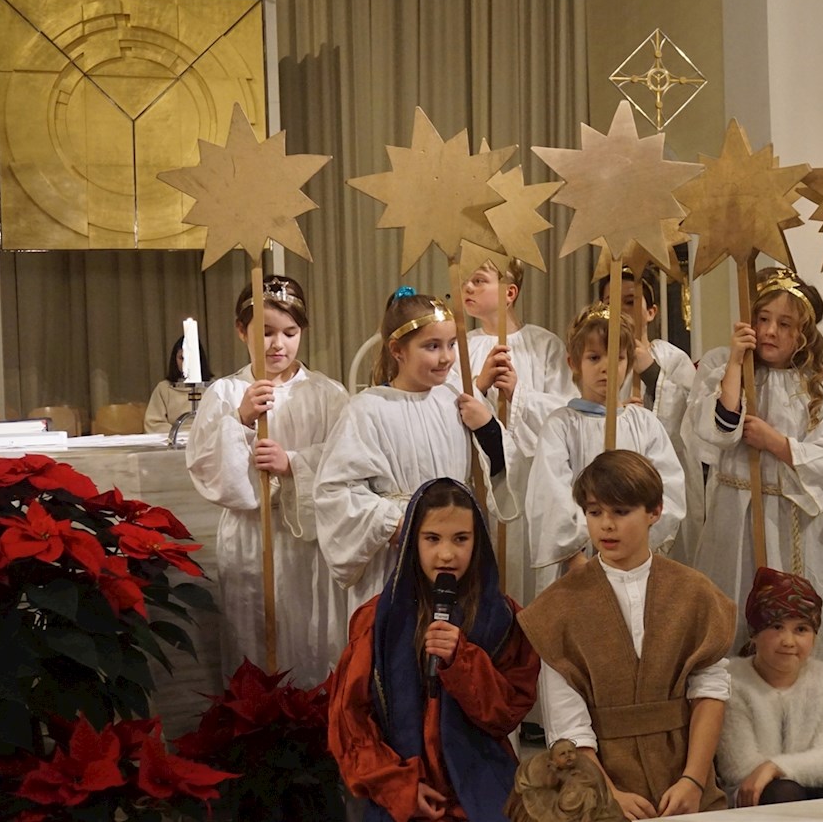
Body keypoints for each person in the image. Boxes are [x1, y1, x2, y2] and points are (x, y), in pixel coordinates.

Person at [519, 451, 735, 819]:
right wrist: (608, 794)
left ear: (654, 511)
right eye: (594, 512)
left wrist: (694, 781)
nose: (606, 525)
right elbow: (568, 723)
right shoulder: (559, 607)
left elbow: (710, 691)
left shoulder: (694, 593)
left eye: (620, 512)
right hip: (595, 788)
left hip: (684, 781)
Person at [329, 477, 539, 822]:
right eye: (432, 538)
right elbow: (350, 719)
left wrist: (463, 661)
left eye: (461, 539)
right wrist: (398, 786)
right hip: (401, 781)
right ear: (412, 542)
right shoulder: (377, 619)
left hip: (479, 781)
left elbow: (507, 712)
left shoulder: (501, 618)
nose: (446, 554)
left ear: (478, 542)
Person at [186, 276, 348, 686]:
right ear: (241, 331)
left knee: (311, 636)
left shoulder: (328, 394)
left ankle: (312, 715)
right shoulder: (224, 393)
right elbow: (204, 465)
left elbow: (348, 460)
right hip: (249, 536)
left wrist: (292, 463)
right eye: (266, 333)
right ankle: (257, 717)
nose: (278, 345)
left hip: (306, 537)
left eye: (290, 333)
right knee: (253, 635)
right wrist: (239, 420)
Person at [683, 267, 823, 657]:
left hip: (792, 519)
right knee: (732, 607)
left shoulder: (815, 389)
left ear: (802, 334)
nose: (770, 331)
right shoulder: (725, 371)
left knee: (788, 623)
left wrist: (777, 444)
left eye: (784, 324)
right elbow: (715, 433)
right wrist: (735, 363)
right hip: (734, 515)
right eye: (762, 319)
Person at [315, 288, 513, 616]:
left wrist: (487, 426)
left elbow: (503, 468)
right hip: (397, 551)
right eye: (432, 346)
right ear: (397, 350)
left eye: (451, 344)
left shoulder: (458, 396)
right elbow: (335, 491)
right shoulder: (367, 410)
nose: (446, 357)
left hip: (455, 547)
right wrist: (392, 523)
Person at [525, 303, 685, 594]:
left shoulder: (645, 424)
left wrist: (635, 545)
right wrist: (576, 557)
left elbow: (668, 489)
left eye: (618, 357)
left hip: (635, 563)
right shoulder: (561, 426)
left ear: (629, 361)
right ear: (574, 362)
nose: (606, 367)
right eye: (594, 357)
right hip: (579, 567)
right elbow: (550, 494)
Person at [459, 258, 577, 603]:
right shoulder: (460, 347)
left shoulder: (545, 346)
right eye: (466, 281)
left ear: (509, 293)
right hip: (478, 483)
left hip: (529, 485)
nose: (467, 287)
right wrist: (479, 385)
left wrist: (518, 394)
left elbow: (566, 414)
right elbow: (448, 412)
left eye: (479, 280)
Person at [716, 567, 823, 807]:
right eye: (776, 627)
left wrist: (776, 767)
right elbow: (738, 766)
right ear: (754, 634)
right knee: (784, 792)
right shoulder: (733, 680)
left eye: (801, 629)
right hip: (753, 791)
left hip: (809, 784)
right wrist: (781, 771)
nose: (788, 641)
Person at [598, 267, 701, 565]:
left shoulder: (672, 358)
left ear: (651, 311)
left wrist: (652, 374)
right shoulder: (598, 361)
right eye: (610, 303)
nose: (620, 310)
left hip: (661, 481)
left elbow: (693, 418)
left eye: (630, 301)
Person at [505, 738, 625, 822]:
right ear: (553, 760)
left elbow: (591, 782)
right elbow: (551, 784)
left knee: (589, 795)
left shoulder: (585, 768)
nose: (568, 756)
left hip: (581, 800)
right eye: (562, 754)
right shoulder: (550, 773)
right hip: (565, 803)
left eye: (570, 752)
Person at [145, 335, 214, 433]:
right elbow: (153, 423)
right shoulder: (164, 388)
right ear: (175, 359)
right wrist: (179, 433)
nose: (186, 363)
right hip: (175, 437)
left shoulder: (213, 387)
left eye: (191, 358)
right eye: (182, 358)